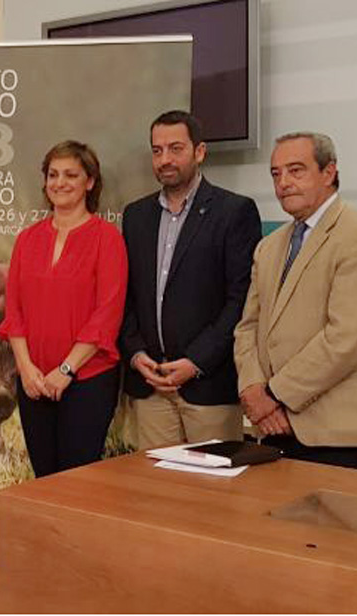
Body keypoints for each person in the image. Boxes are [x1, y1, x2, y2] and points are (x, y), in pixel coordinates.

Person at [234, 132, 357, 470]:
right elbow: (247, 327)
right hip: (270, 431)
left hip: (335, 438)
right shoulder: (269, 246)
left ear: (329, 172)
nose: (283, 183)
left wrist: (274, 395)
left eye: (296, 170)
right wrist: (252, 389)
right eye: (276, 173)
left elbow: (348, 339)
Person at [118, 110, 261, 450]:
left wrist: (196, 362)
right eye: (157, 150)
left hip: (208, 386)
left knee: (211, 483)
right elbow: (127, 295)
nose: (165, 159)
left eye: (175, 148)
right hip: (150, 385)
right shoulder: (136, 215)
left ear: (199, 152)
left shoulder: (234, 211)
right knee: (153, 482)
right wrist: (136, 353)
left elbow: (241, 300)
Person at [0, 140, 127, 477]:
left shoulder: (107, 238)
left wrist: (66, 370)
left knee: (75, 482)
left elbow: (107, 314)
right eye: (53, 174)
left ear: (90, 181)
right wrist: (26, 368)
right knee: (43, 479)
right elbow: (14, 311)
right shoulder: (27, 239)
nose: (60, 182)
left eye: (71, 174)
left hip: (86, 379)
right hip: (34, 380)